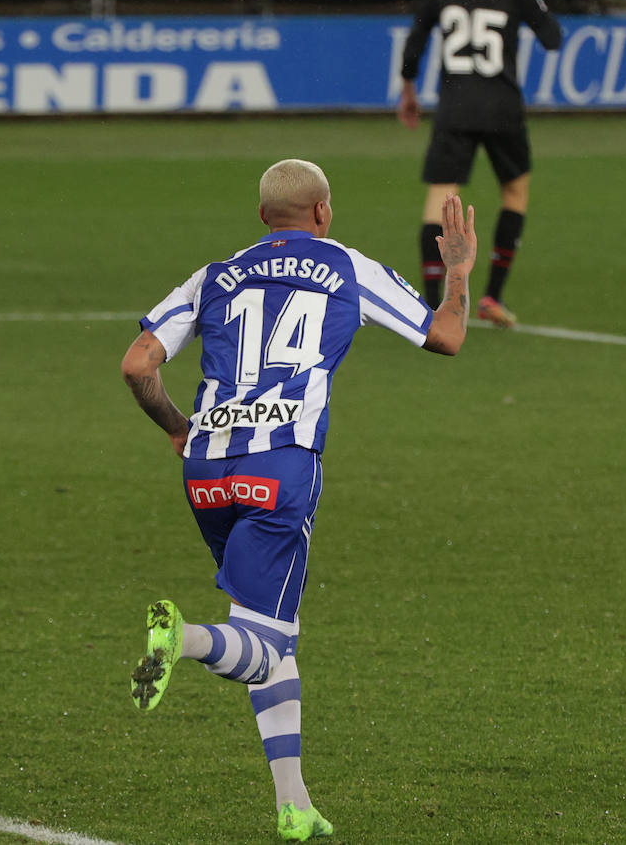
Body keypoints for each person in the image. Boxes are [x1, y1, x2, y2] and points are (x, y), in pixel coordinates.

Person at [121, 159, 477, 841]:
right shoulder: (346, 266)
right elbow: (448, 337)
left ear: (262, 218)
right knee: (255, 641)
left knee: (267, 629)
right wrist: (456, 270)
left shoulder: (215, 275)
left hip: (207, 469)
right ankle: (183, 639)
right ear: (324, 211)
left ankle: (294, 803)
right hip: (281, 468)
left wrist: (176, 428)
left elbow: (139, 363)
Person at [397, 0, 563, 327]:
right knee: (515, 191)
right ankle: (492, 296)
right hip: (502, 109)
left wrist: (408, 88)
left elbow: (417, 37)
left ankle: (431, 308)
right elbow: (552, 38)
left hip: (454, 109)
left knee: (439, 200)